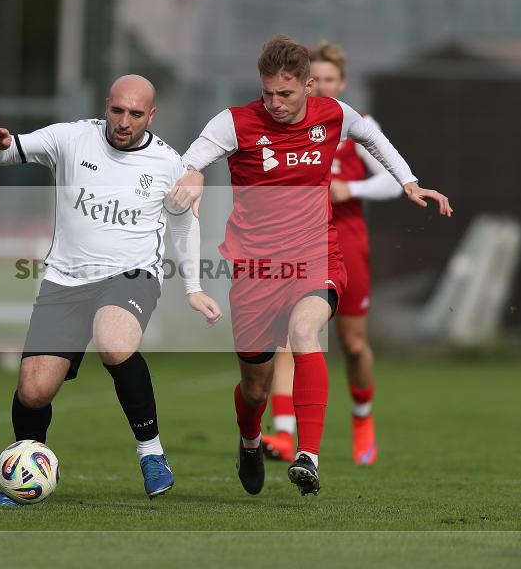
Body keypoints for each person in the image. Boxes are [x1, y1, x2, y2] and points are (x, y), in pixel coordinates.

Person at [170, 35, 451, 497]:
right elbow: (188, 160)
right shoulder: (234, 123)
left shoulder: (333, 114)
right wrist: (193, 175)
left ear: (308, 85)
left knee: (305, 334)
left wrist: (409, 182)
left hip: (315, 254)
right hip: (256, 268)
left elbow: (373, 136)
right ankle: (249, 439)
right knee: (255, 389)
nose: (276, 103)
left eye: (286, 93)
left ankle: (309, 456)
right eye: (268, 94)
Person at [0, 75, 222, 506]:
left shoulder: (168, 163)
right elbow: (3, 155)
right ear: (106, 105)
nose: (124, 121)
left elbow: (184, 225)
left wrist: (193, 287)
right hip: (65, 280)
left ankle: (151, 455)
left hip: (131, 275)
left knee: (114, 342)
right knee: (33, 391)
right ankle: (25, 471)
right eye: (117, 110)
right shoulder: (71, 138)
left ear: (151, 115)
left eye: (135, 114)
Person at [260, 40, 403, 467]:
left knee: (354, 344)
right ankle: (285, 434)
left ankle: (362, 419)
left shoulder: (352, 123)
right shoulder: (288, 122)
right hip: (300, 241)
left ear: (341, 83)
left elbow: (393, 180)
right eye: (314, 80)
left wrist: (350, 188)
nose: (320, 87)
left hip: (348, 239)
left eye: (328, 80)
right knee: (290, 338)